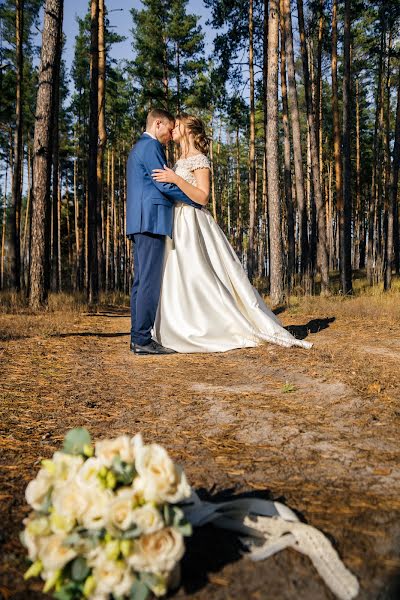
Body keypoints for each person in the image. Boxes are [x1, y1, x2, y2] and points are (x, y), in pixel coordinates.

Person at [151, 113, 312, 352]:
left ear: (189, 129)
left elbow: (203, 197)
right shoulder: (178, 159)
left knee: (200, 274)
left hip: (193, 222)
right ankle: (180, 324)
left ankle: (216, 326)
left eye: (178, 124)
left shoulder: (199, 159)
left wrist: (176, 179)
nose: (173, 127)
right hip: (176, 222)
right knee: (179, 276)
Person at [126, 108, 202, 355]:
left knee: (141, 281)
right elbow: (164, 184)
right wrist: (194, 200)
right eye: (169, 129)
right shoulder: (150, 147)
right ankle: (142, 340)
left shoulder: (140, 147)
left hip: (141, 221)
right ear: (158, 124)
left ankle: (138, 337)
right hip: (151, 219)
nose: (170, 135)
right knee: (148, 282)